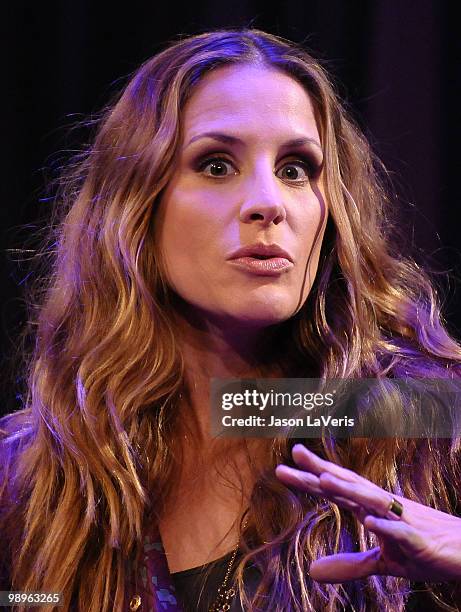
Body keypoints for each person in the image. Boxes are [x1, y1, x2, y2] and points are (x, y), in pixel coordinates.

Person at [1, 27, 460, 612]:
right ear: (137, 205)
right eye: (216, 165)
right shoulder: (36, 466)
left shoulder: (425, 414)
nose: (268, 202)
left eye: (297, 169)